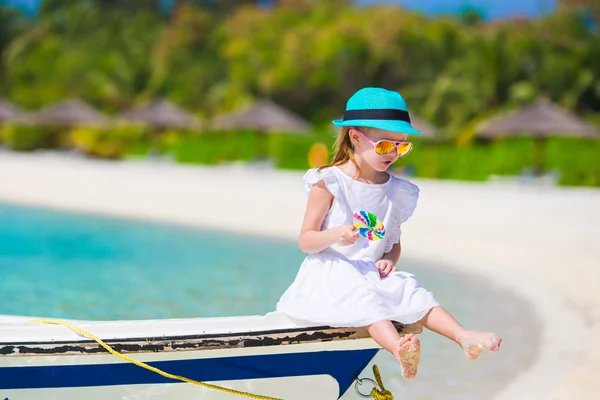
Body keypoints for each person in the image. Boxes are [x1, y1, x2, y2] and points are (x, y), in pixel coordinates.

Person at [276, 87, 501, 379]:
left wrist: (390, 260)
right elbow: (306, 240)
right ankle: (399, 348)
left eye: (402, 146)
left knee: (410, 288)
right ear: (356, 137)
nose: (393, 154)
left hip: (369, 272)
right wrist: (334, 235)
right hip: (330, 273)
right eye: (385, 146)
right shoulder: (329, 181)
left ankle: (462, 336)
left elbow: (392, 243)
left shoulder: (395, 190)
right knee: (364, 296)